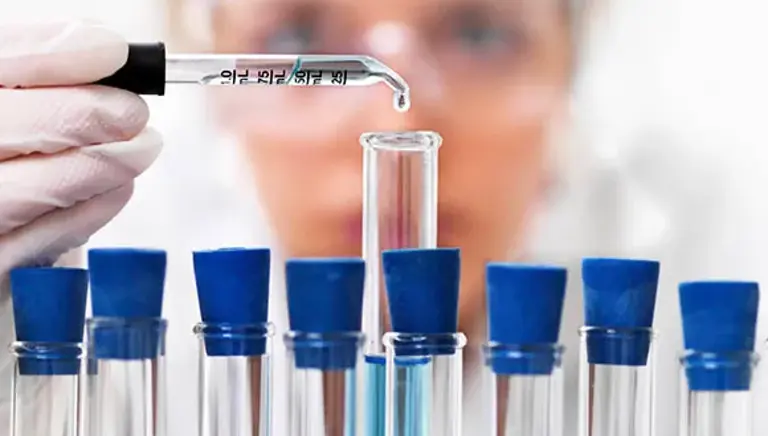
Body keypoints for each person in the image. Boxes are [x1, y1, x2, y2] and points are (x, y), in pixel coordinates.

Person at [0, 1, 740, 434]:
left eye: (479, 34)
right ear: (219, 79)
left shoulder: (719, 245)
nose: (407, 112)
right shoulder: (90, 273)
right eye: (295, 38)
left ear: (568, 69)